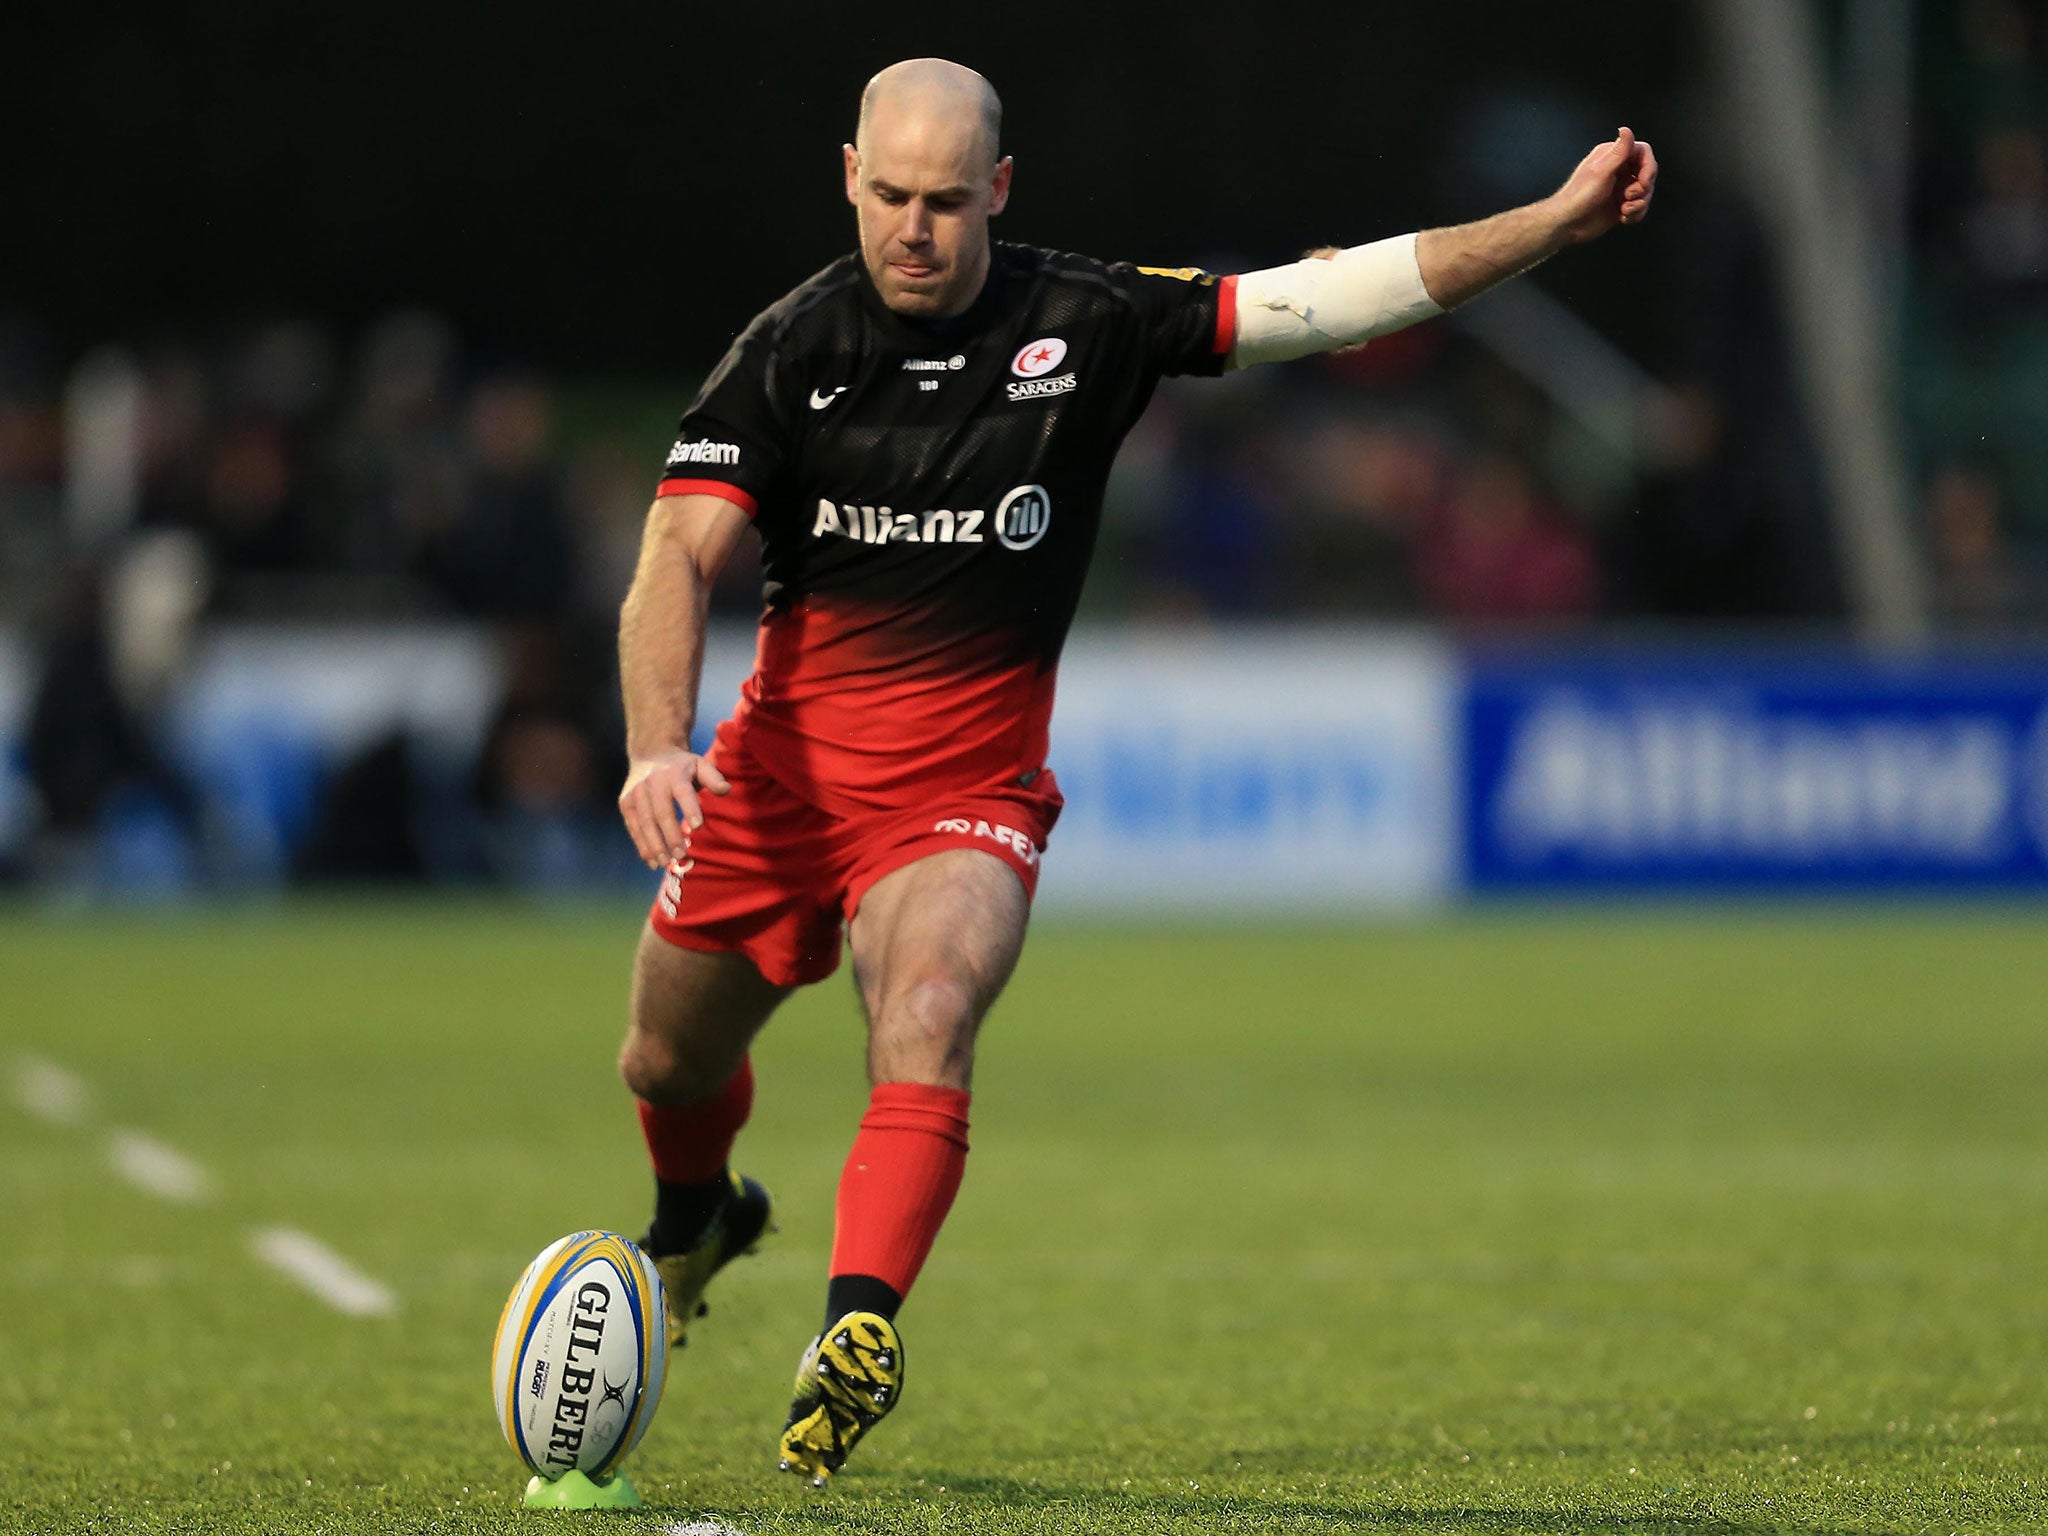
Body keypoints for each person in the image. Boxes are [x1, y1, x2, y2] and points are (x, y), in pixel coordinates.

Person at [614, 57, 1656, 1485]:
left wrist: (1546, 221)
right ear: (849, 175)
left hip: (957, 802)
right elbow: (679, 552)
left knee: (926, 1010)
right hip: (777, 790)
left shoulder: (1086, 318)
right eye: (890, 197)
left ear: (1000, 189)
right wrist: (659, 743)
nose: (914, 229)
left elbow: (1324, 298)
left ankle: (857, 1329)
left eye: (945, 202)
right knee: (666, 1059)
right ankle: (696, 1220)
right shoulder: (792, 349)